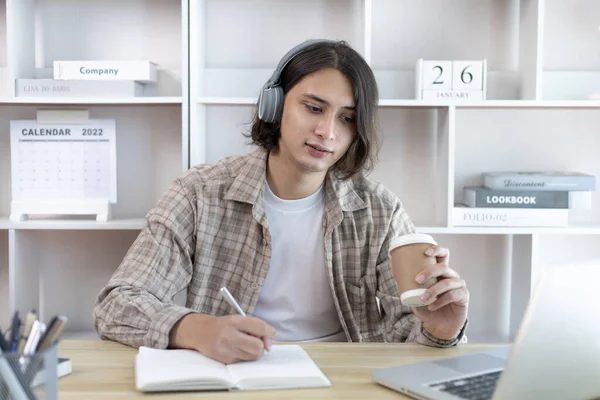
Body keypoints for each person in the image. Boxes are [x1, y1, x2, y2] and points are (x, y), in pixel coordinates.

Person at [93, 39, 469, 365]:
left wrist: (439, 332)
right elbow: (116, 304)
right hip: (232, 372)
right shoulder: (199, 192)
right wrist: (197, 329)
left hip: (339, 379)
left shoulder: (379, 210)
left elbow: (405, 330)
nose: (327, 132)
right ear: (274, 105)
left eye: (348, 118)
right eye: (314, 108)